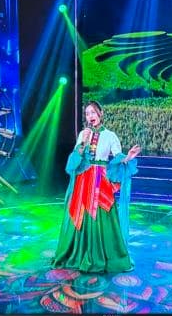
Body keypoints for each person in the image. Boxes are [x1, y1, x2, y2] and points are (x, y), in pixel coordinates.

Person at [52, 101, 141, 273]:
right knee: (81, 216)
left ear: (100, 113)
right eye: (87, 113)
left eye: (93, 112)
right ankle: (79, 254)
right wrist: (82, 143)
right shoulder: (83, 134)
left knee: (102, 216)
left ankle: (105, 256)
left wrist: (128, 157)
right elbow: (74, 161)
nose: (90, 116)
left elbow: (117, 158)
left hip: (100, 179)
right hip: (84, 181)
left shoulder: (110, 136)